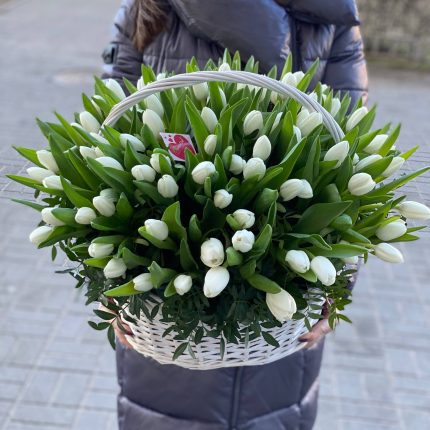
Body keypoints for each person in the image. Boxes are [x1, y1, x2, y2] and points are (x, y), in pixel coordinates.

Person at [101, 1, 367, 429]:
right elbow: (351, 162)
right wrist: (338, 285)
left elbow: (350, 159)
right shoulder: (327, 12)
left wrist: (111, 280)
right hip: (245, 300)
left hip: (179, 304)